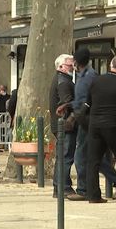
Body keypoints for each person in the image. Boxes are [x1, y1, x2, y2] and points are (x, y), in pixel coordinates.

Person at [58, 47, 116, 201]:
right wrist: (69, 105)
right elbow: (81, 99)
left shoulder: (90, 77)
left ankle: (84, 189)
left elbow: (88, 100)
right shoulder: (81, 76)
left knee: (82, 156)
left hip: (88, 120)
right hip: (83, 119)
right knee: (94, 157)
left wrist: (74, 114)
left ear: (78, 62)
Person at [87, 55, 116, 203]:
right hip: (115, 125)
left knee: (93, 160)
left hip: (95, 125)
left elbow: (89, 102)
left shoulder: (96, 81)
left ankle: (93, 195)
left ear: (110, 66)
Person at [49, 53, 77, 198]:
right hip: (65, 125)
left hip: (61, 124)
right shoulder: (64, 81)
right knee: (65, 157)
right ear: (60, 67)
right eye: (69, 65)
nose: (73, 67)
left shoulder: (62, 79)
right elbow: (66, 102)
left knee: (63, 156)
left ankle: (58, 187)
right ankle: (64, 188)